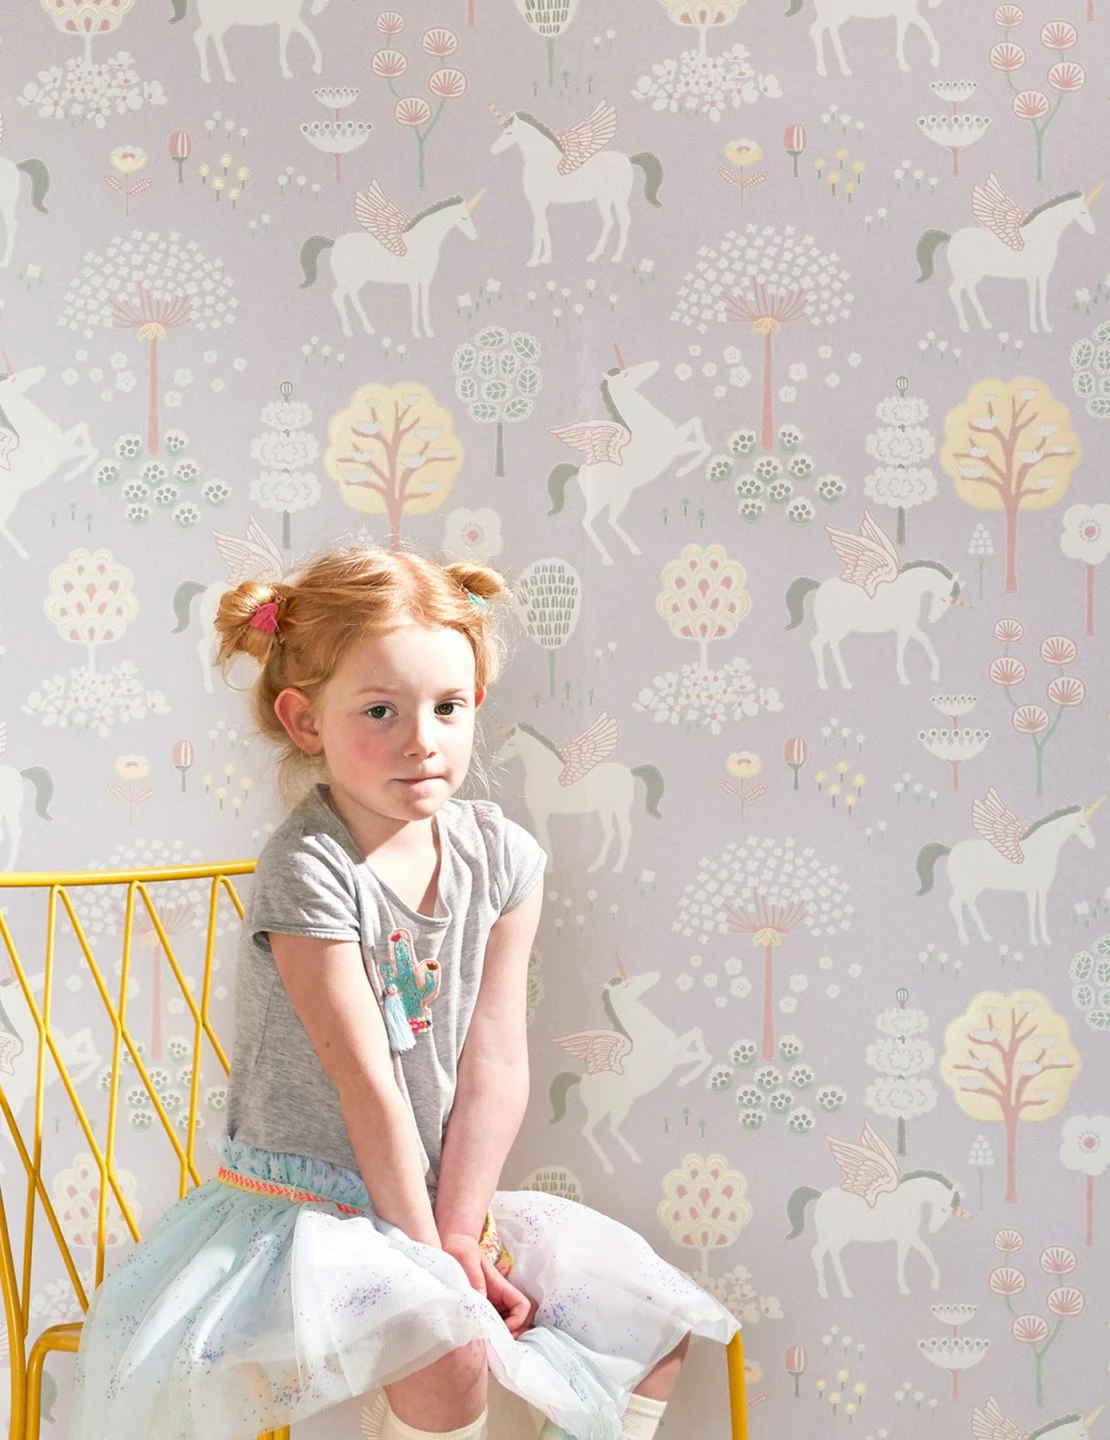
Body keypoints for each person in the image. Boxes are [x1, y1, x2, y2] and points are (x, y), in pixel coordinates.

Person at [69, 545, 739, 1440]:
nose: (422, 739)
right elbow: (368, 1085)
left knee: (645, 1322)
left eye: (447, 707)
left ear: (477, 705)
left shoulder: (503, 859)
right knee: (448, 1343)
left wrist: (458, 1236)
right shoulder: (309, 867)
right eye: (380, 711)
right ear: (305, 719)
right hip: (306, 1210)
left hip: (437, 1197)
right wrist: (435, 1263)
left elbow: (495, 1061)